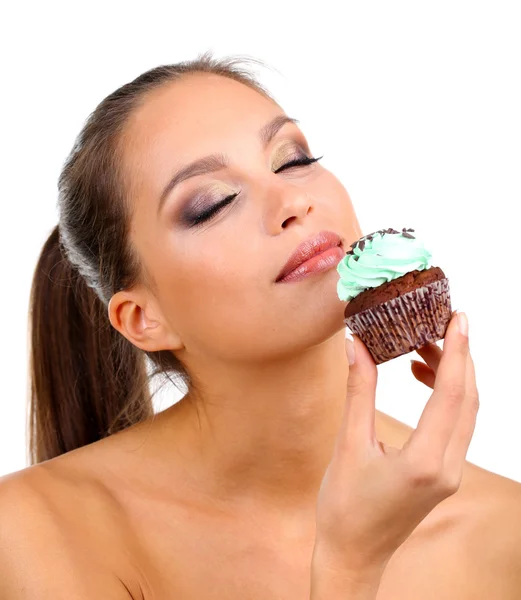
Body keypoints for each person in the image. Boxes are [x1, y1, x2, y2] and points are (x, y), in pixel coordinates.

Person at [1, 51, 520, 599]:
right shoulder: (32, 534)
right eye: (212, 203)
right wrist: (349, 566)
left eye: (294, 159)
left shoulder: (505, 535)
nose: (293, 200)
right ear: (143, 318)